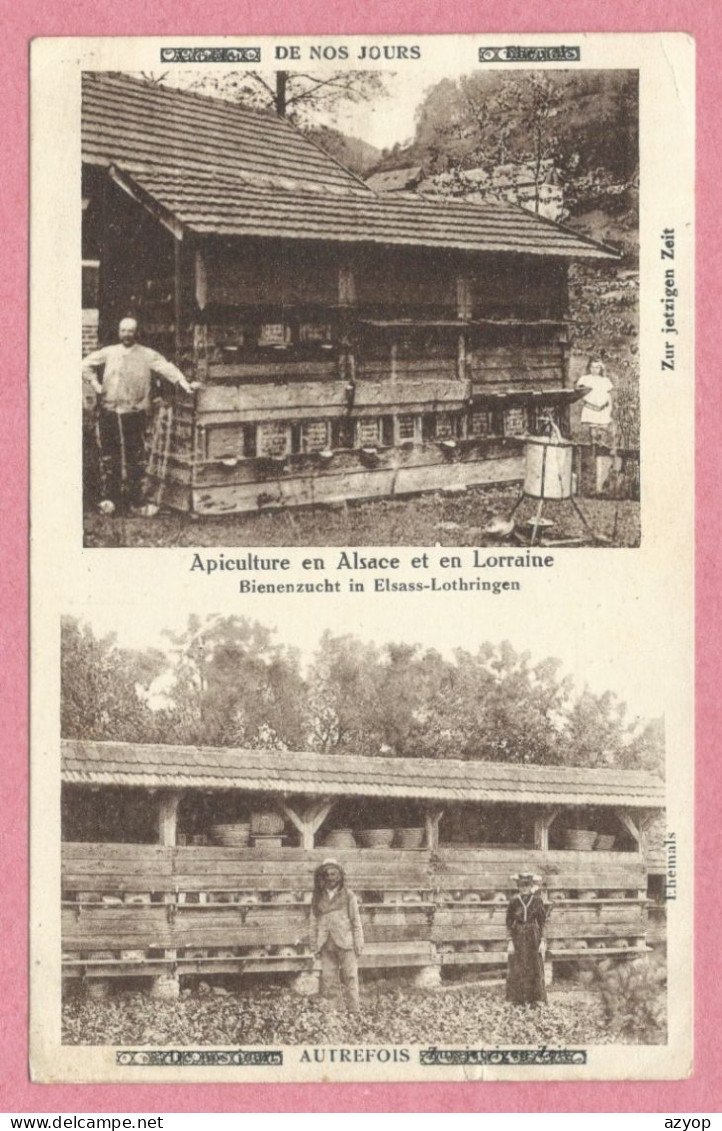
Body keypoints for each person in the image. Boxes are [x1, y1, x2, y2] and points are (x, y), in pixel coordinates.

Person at [82, 318, 197, 515]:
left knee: (135, 458)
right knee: (111, 457)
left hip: (134, 413)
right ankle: (112, 500)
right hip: (110, 411)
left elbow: (166, 367)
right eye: (124, 330)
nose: (127, 334)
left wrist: (184, 383)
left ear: (136, 333)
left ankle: (134, 501)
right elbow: (84, 365)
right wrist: (96, 385)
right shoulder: (109, 352)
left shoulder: (146, 354)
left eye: (130, 331)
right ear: (119, 332)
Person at [311, 858, 364, 1014]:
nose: (330, 878)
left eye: (334, 874)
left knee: (350, 977)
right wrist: (314, 945)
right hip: (326, 945)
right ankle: (337, 1010)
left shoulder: (348, 896)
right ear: (322, 877)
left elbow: (356, 921)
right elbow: (313, 922)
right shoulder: (317, 897)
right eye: (326, 874)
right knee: (329, 978)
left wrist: (358, 942)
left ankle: (354, 1010)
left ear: (340, 876)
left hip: (346, 943)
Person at [505, 872, 548, 1006]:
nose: (524, 888)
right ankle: (516, 998)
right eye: (521, 885)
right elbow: (508, 922)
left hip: (532, 936)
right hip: (518, 935)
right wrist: (510, 941)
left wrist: (543, 940)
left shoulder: (537, 901)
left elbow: (542, 922)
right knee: (517, 966)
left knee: (534, 965)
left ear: (531, 886)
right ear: (518, 886)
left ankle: (537, 998)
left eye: (527, 885)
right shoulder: (514, 902)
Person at [576, 358, 614, 444]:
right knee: (593, 431)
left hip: (603, 408)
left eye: (597, 367)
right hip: (591, 407)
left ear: (601, 368)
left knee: (603, 430)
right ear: (589, 368)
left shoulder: (605, 380)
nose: (594, 370)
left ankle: (602, 449)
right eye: (592, 367)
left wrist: (609, 407)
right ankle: (593, 448)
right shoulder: (585, 379)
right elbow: (579, 390)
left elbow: (608, 394)